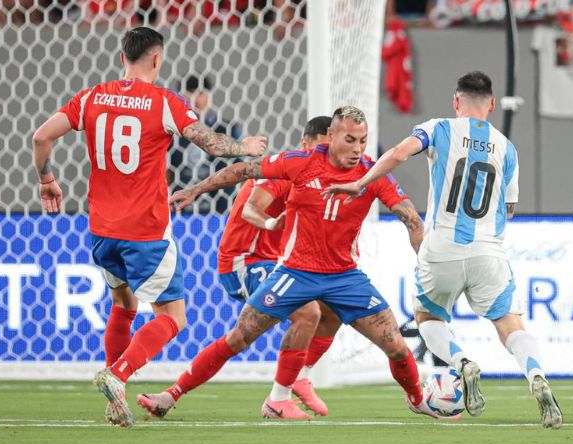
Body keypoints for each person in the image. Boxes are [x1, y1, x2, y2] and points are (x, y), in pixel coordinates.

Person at [138, 106, 447, 419]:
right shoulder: (301, 163)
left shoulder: (372, 173)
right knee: (239, 337)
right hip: (295, 273)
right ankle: (172, 394)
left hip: (345, 277)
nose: (357, 149)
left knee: (394, 344)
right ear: (332, 135)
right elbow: (244, 171)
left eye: (363, 141)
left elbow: (411, 219)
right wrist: (196, 189)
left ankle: (417, 399)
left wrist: (424, 260)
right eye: (350, 140)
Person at [31, 27, 266, 427]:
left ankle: (114, 397)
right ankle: (118, 375)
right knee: (173, 317)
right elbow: (210, 143)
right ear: (157, 59)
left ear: (122, 55)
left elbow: (40, 137)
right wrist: (246, 147)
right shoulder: (162, 102)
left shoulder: (90, 97)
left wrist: (46, 179)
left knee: (123, 306)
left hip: (101, 229)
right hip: (146, 232)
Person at [324, 71, 562, 428]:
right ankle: (536, 376)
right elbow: (508, 208)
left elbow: (400, 153)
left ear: (456, 102)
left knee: (429, 319)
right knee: (511, 325)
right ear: (492, 105)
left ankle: (463, 363)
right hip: (488, 250)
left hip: (441, 247)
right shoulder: (506, 148)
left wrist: (360, 182)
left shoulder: (439, 128)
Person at [138, 116, 339, 420]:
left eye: (331, 150)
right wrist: (198, 190)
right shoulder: (287, 167)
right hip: (245, 261)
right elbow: (250, 206)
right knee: (308, 312)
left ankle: (170, 395)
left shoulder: (322, 177)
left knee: (330, 308)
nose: (325, 155)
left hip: (280, 263)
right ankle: (281, 397)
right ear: (305, 144)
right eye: (321, 147)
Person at [167, 74, 243, 213]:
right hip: (181, 204)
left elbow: (239, 168)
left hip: (220, 205)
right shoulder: (173, 131)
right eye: (189, 92)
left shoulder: (226, 128)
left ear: (208, 96)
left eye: (200, 93)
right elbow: (169, 171)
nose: (195, 98)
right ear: (181, 96)